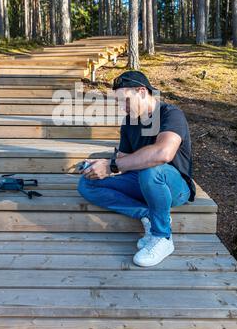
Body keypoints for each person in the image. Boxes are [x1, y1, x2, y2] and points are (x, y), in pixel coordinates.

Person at [78, 71, 196, 267]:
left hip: (174, 187)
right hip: (141, 183)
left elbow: (163, 154)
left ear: (141, 91)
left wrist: (114, 165)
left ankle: (163, 237)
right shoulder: (129, 122)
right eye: (118, 103)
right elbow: (123, 160)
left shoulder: (171, 114)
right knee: (87, 183)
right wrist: (103, 164)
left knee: (152, 170)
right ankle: (146, 214)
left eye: (124, 101)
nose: (121, 107)